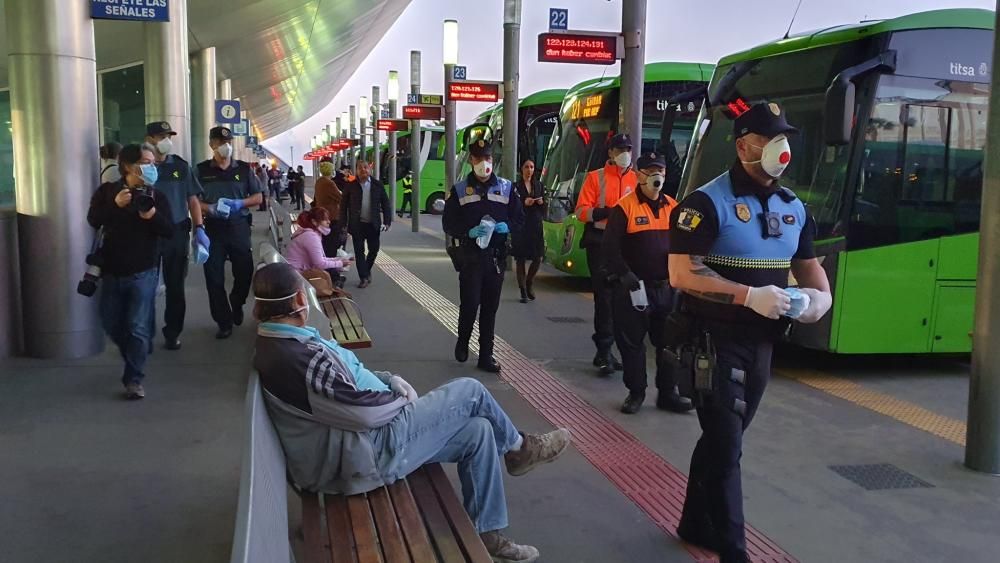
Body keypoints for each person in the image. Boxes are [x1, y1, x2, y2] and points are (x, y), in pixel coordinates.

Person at [251, 262, 571, 563]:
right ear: (297, 299)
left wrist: (389, 379)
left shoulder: (284, 344)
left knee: (479, 432)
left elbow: (346, 384)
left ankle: (486, 532)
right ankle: (521, 449)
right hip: (365, 454)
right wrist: (403, 403)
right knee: (470, 391)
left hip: (362, 441)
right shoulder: (296, 358)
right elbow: (359, 413)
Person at [668, 102, 832, 562]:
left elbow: (813, 275)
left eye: (784, 138)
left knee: (724, 440)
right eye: (769, 138)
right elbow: (682, 274)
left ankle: (695, 522)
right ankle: (734, 552)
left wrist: (818, 301)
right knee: (727, 447)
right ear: (743, 146)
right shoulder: (705, 204)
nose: (780, 148)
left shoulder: (793, 208)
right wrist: (745, 295)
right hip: (710, 342)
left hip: (763, 344)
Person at [601, 152, 693, 415]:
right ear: (639, 175)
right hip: (634, 290)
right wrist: (625, 276)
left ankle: (667, 393)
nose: (657, 176)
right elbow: (609, 249)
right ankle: (636, 392)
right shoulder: (624, 208)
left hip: (666, 289)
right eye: (651, 171)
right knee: (632, 342)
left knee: (669, 343)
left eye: (661, 171)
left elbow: (685, 246)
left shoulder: (674, 207)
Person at [87, 144, 174, 399]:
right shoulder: (107, 192)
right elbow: (93, 220)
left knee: (136, 326)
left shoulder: (157, 196)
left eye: (152, 162)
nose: (151, 167)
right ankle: (138, 350)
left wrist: (153, 216)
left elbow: (169, 230)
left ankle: (133, 378)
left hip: (144, 271)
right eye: (145, 162)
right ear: (128, 166)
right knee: (110, 321)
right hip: (112, 270)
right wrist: (115, 205)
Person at [442, 135, 524, 373]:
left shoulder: (507, 188)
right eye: (479, 158)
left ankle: (486, 355)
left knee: (490, 307)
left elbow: (519, 219)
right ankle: (463, 340)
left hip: (496, 257)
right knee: (470, 304)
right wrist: (467, 231)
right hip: (470, 257)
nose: (484, 162)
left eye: (487, 157)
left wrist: (507, 226)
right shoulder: (459, 190)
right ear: (471, 160)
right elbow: (449, 223)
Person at [575, 133, 635, 377]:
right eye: (620, 149)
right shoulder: (595, 178)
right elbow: (581, 211)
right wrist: (605, 212)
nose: (624, 153)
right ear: (610, 152)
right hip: (599, 244)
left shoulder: (637, 178)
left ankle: (614, 350)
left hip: (627, 245)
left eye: (628, 149)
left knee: (623, 299)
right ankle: (603, 350)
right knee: (604, 298)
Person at [195, 126, 264, 339]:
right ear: (211, 144)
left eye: (228, 142)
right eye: (219, 142)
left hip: (239, 227)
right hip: (213, 229)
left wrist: (239, 203)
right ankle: (223, 321)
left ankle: (237, 301)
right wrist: (209, 208)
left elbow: (259, 197)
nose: (224, 146)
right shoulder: (201, 170)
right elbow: (194, 200)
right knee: (213, 277)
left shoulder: (243, 169)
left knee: (244, 271)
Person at [143, 121, 208, 351]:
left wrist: (199, 228)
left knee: (175, 285)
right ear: (149, 139)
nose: (166, 140)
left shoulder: (180, 166)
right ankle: (143, 333)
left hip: (176, 232)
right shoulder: (141, 167)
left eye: (168, 135)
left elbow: (192, 199)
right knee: (145, 285)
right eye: (161, 136)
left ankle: (173, 332)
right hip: (147, 234)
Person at [339, 160, 391, 288]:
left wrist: (387, 221)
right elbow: (343, 206)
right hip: (357, 224)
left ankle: (366, 271)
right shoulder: (350, 186)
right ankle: (363, 277)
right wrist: (343, 224)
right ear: (356, 171)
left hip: (373, 224)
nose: (364, 170)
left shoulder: (377, 185)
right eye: (360, 168)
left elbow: (386, 204)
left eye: (366, 167)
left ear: (370, 169)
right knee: (359, 251)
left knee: (374, 249)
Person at [285, 207, 353, 286]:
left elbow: (320, 259)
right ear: (314, 222)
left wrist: (340, 259)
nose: (329, 222)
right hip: (297, 278)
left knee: (331, 276)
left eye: (328, 219)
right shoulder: (311, 237)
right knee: (330, 279)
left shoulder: (311, 234)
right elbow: (319, 264)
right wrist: (340, 263)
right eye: (325, 220)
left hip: (295, 273)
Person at [511, 159, 545, 304]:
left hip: (535, 225)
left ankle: (530, 281)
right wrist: (524, 202)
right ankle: (523, 289)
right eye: (526, 167)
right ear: (521, 170)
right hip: (521, 225)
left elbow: (545, 209)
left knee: (538, 257)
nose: (529, 170)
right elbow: (512, 205)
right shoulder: (515, 186)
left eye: (531, 167)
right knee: (520, 258)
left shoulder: (539, 185)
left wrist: (542, 203)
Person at [313, 159, 346, 256]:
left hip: (322, 215)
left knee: (326, 242)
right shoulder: (329, 183)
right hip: (331, 217)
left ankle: (327, 263)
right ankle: (331, 267)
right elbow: (341, 198)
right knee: (331, 243)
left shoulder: (319, 181)